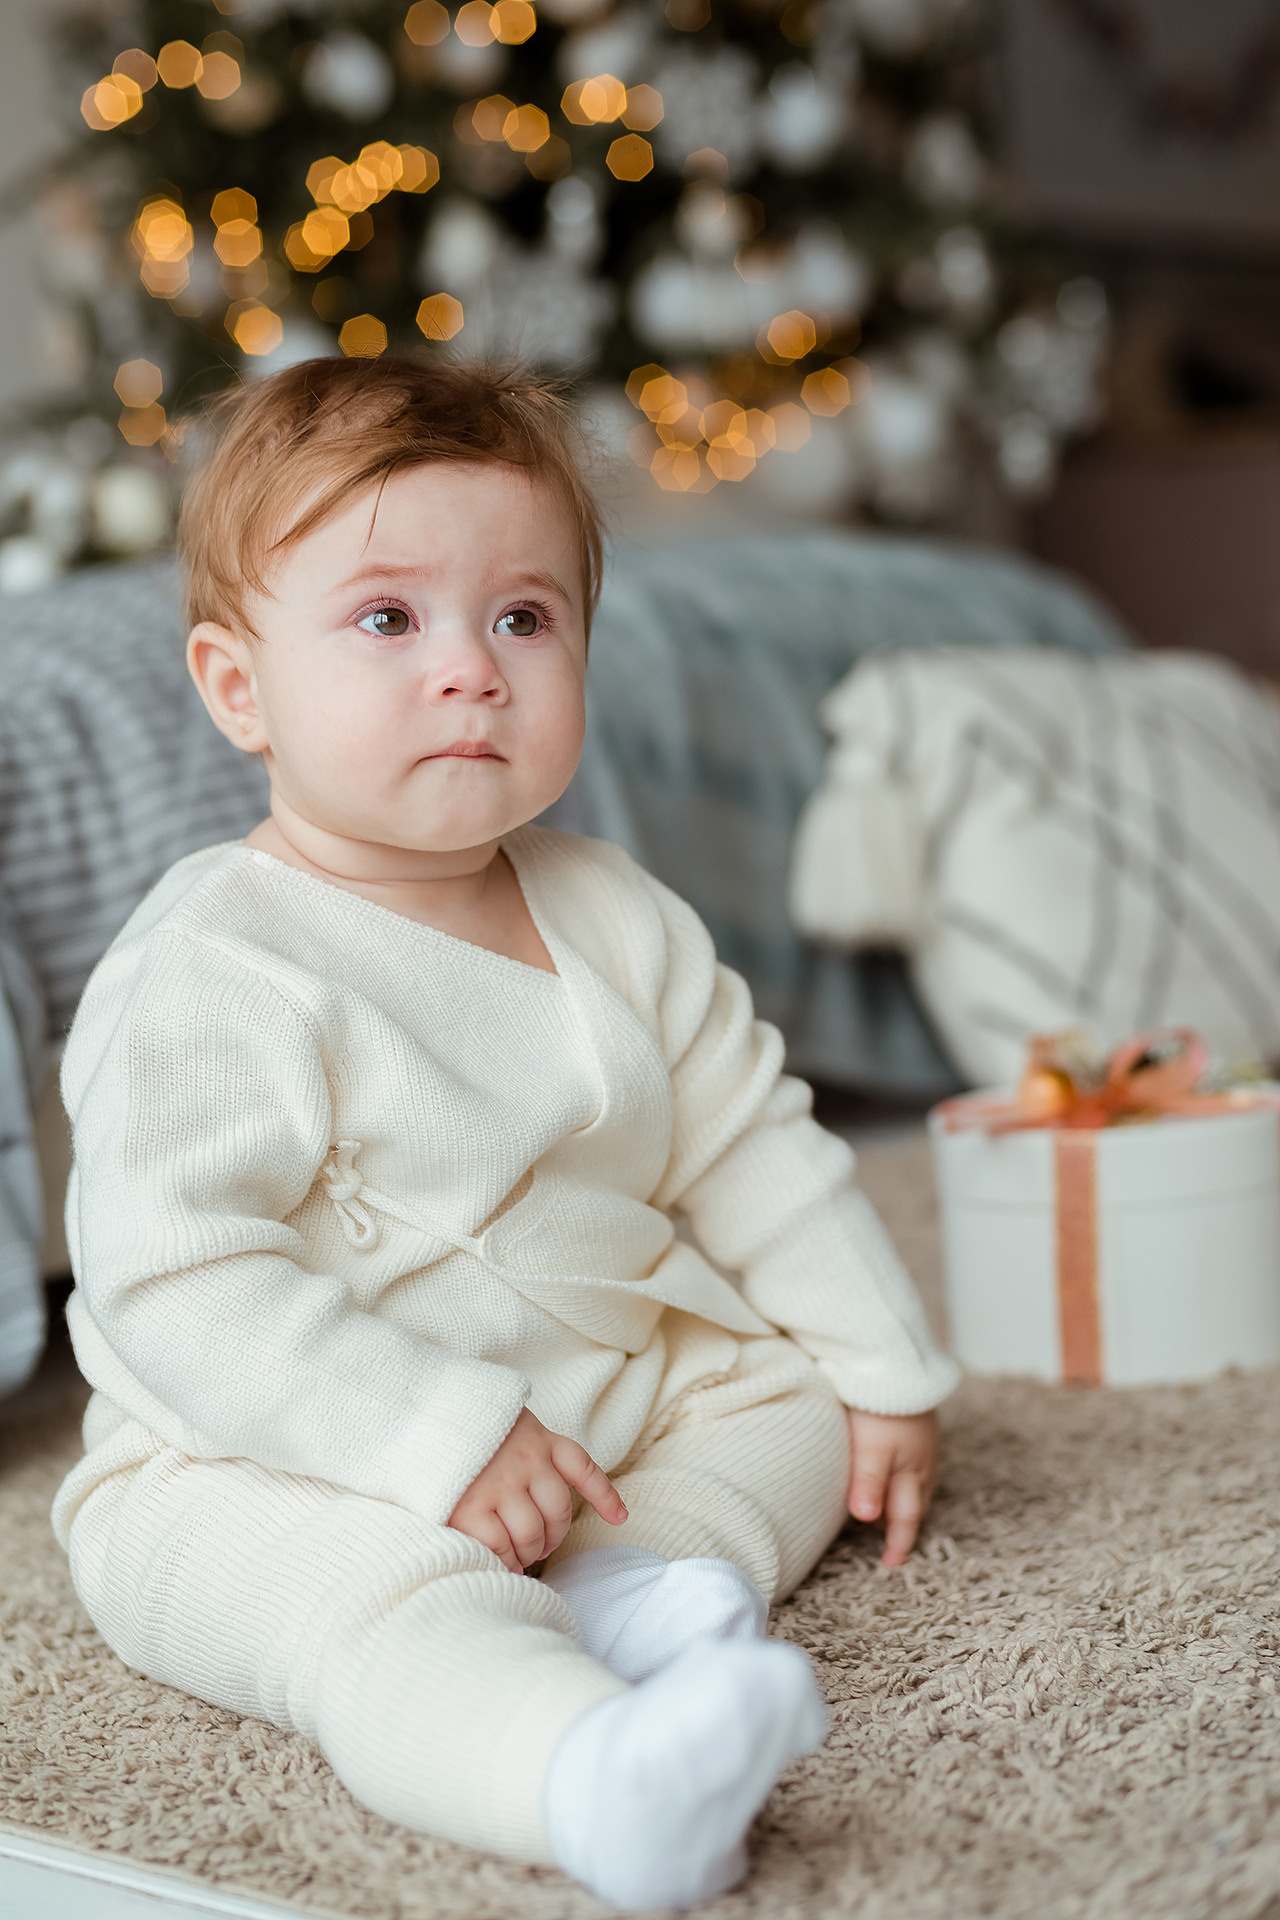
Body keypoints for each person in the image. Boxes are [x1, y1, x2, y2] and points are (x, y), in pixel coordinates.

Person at [51, 356, 959, 1911]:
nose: (471, 669)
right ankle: (586, 1776)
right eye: (388, 620)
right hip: (267, 1455)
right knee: (376, 1603)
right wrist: (435, 1441)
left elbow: (753, 1143)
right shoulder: (216, 969)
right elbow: (178, 1285)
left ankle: (639, 1586)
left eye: (524, 619)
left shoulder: (616, 912)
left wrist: (884, 1371)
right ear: (238, 687)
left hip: (583, 1401)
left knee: (792, 1397)